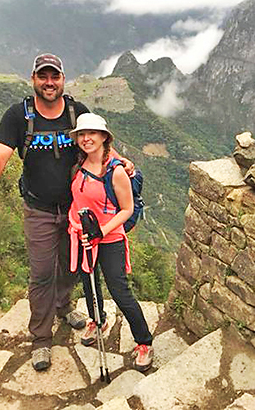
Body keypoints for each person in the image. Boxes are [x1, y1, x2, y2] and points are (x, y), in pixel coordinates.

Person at [0, 53, 132, 372]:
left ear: (63, 80)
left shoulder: (75, 112)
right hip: (38, 208)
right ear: (34, 79)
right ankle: (41, 338)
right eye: (44, 76)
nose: (49, 82)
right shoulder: (18, 116)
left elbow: (96, 144)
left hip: (75, 211)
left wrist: (118, 161)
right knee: (41, 273)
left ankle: (63, 306)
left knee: (70, 267)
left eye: (55, 77)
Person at [67, 113, 154, 372]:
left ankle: (144, 342)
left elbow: (126, 209)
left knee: (119, 290)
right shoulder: (78, 164)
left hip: (109, 237)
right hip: (81, 236)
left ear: (104, 137)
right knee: (89, 285)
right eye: (82, 134)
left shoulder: (115, 171)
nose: (86, 138)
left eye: (92, 133)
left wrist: (101, 231)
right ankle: (98, 321)